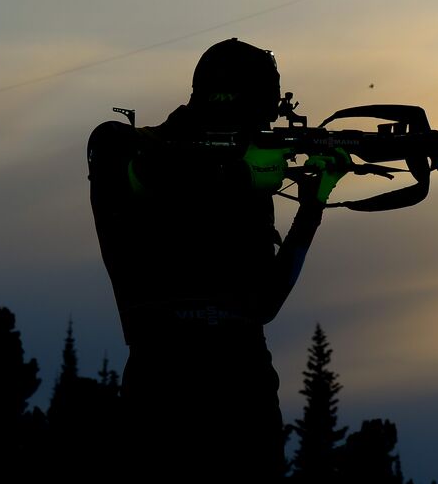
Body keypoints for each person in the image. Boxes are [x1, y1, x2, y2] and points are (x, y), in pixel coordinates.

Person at [87, 38, 343, 479]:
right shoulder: (125, 146)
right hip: (164, 378)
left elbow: (265, 303)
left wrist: (313, 205)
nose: (267, 123)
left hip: (242, 378)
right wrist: (243, 174)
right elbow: (148, 176)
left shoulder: (246, 178)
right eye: (263, 111)